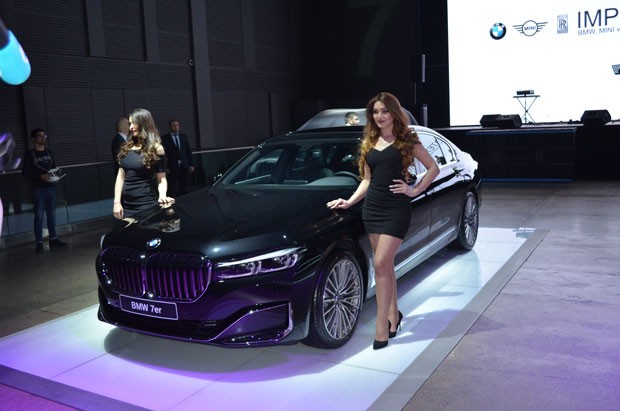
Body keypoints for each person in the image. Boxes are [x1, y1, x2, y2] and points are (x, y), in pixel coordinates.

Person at [327, 92, 439, 350]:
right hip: (372, 209)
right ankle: (393, 317)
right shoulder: (370, 141)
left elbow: (432, 168)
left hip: (396, 209)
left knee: (379, 264)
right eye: (375, 112)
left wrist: (413, 190)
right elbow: (367, 180)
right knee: (385, 267)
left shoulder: (406, 140)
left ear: (394, 113)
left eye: (384, 111)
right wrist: (349, 202)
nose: (380, 116)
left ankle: (380, 327)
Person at [113, 108, 174, 220]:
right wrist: (116, 202)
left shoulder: (156, 148)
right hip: (127, 206)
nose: (131, 127)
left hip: (147, 204)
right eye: (130, 123)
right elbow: (120, 176)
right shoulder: (126, 147)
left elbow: (161, 178)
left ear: (144, 124)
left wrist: (162, 196)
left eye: (134, 123)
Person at [21, 128, 68, 252]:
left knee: (52, 214)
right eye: (40, 136)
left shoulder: (48, 152)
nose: (43, 138)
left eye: (44, 136)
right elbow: (25, 172)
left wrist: (55, 175)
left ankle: (53, 238)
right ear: (33, 139)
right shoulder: (30, 154)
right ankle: (39, 243)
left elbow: (53, 167)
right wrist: (40, 177)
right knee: (39, 215)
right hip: (38, 189)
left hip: (51, 187)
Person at [161, 119, 194, 197]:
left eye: (177, 125)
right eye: (174, 125)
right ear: (170, 127)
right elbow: (163, 154)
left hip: (184, 165)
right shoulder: (165, 138)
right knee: (172, 187)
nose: (176, 127)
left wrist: (191, 164)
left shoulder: (183, 137)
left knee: (184, 186)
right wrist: (165, 167)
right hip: (172, 167)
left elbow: (188, 151)